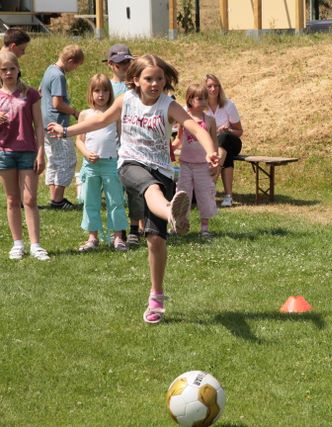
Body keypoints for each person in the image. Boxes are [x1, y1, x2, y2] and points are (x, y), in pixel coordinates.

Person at [48, 54, 219, 325]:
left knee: (156, 240)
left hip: (162, 171)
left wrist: (210, 151)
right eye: (149, 79)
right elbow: (100, 121)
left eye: (159, 79)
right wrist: (66, 131)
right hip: (130, 164)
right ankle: (172, 213)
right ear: (136, 80)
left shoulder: (169, 105)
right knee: (150, 189)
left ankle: (156, 296)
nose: (155, 84)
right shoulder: (125, 100)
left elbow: (196, 129)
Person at [0, 52, 49, 261]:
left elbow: (39, 125)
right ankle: (17, 244)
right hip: (4, 152)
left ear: (18, 69)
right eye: (3, 69)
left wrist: (41, 152)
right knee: (12, 199)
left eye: (12, 68)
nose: (8, 73)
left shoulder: (30, 94)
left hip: (28, 150)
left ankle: (35, 245)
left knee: (30, 199)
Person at [75, 74, 128, 252]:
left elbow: (122, 137)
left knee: (115, 201)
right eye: (97, 90)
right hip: (91, 166)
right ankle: (92, 237)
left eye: (105, 90)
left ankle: (118, 237)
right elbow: (79, 140)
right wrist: (86, 153)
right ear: (90, 93)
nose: (101, 94)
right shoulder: (85, 114)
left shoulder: (114, 114)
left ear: (110, 93)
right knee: (91, 201)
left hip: (111, 164)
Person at [104, 43, 144, 248]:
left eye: (128, 62)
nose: (125, 66)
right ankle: (118, 230)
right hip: (111, 147)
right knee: (115, 193)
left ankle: (136, 228)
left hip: (133, 145)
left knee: (135, 189)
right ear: (111, 64)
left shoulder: (136, 86)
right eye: (121, 63)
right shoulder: (106, 87)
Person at [173, 82, 218, 238]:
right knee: (182, 195)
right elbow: (179, 139)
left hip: (203, 166)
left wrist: (215, 162)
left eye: (206, 98)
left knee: (205, 194)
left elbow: (214, 142)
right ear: (190, 99)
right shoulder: (184, 118)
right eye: (200, 98)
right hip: (185, 164)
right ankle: (179, 224)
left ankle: (204, 227)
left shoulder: (210, 120)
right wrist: (171, 148)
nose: (204, 101)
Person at [41, 44, 84, 209]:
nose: (75, 69)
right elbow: (57, 103)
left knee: (54, 160)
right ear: (71, 61)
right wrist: (74, 111)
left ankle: (54, 197)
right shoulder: (58, 76)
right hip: (57, 124)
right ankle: (58, 200)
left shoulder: (49, 69)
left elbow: (40, 91)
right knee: (67, 160)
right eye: (76, 65)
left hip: (45, 124)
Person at [205, 74, 243, 208]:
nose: (213, 89)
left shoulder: (228, 105)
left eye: (216, 86)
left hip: (231, 140)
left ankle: (211, 183)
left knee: (224, 138)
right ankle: (228, 196)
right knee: (225, 153)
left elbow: (239, 131)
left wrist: (228, 130)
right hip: (214, 147)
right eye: (209, 86)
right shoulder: (200, 106)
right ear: (204, 88)